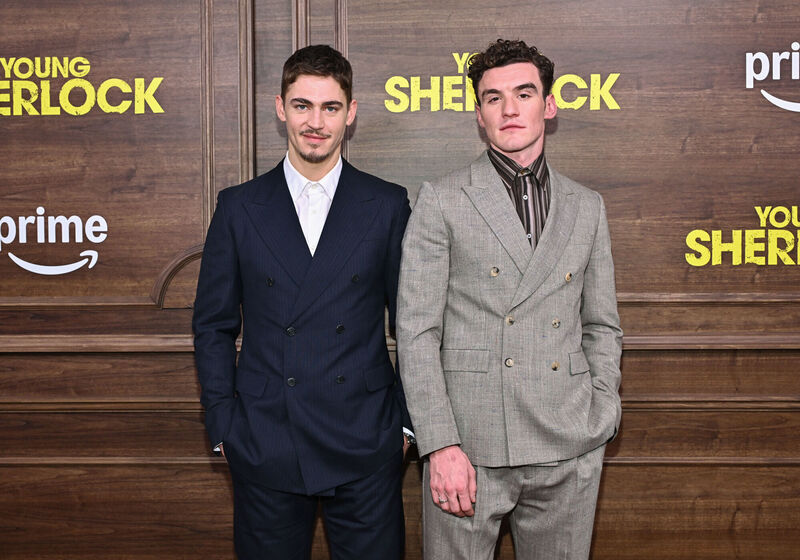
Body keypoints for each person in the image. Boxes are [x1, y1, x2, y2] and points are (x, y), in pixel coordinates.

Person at [397, 38, 622, 560]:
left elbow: (602, 325)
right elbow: (416, 332)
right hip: (470, 447)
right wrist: (440, 445)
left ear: (549, 105)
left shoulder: (586, 206)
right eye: (493, 98)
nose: (509, 109)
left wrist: (602, 411)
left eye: (523, 93)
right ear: (479, 115)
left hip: (568, 440)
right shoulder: (443, 199)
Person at [192, 44, 413, 560]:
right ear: (280, 108)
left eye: (330, 107)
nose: (316, 122)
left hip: (366, 439)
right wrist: (224, 425)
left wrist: (404, 426)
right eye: (302, 106)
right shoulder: (239, 207)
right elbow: (213, 325)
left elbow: (414, 323)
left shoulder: (386, 204)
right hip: (266, 439)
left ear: (350, 113)